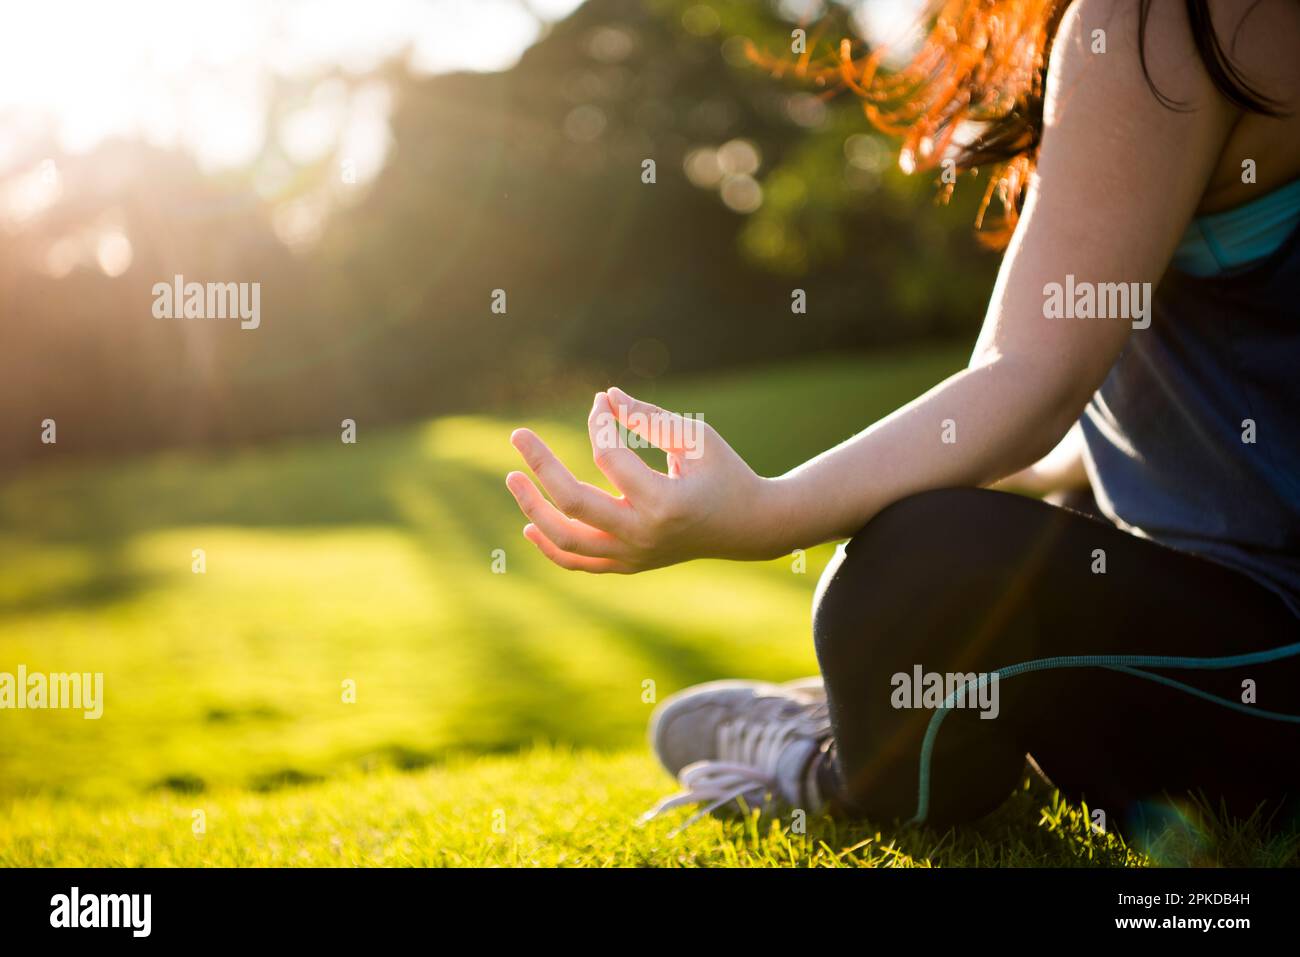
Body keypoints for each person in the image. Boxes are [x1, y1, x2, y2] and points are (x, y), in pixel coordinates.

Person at [505, 0, 1300, 835]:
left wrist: (766, 512)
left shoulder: (1163, 25)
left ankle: (837, 770)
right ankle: (912, 702)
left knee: (923, 564)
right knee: (1060, 518)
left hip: (1270, 669)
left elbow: (1032, 378)